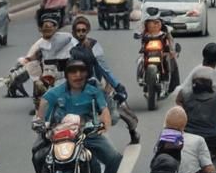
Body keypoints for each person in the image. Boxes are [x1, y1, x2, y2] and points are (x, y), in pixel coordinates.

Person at [34, 58, 122, 173]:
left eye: (81, 71)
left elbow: (104, 112)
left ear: (87, 73)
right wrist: (39, 122)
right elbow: (43, 108)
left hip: (87, 134)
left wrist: (104, 126)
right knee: (38, 156)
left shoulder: (93, 92)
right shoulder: (56, 92)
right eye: (73, 71)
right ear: (66, 75)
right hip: (58, 137)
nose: (78, 75)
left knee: (112, 159)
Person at [69, 15, 139, 143]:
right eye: (78, 30)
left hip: (93, 84)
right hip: (73, 87)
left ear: (88, 30)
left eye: (83, 30)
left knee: (115, 109)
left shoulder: (93, 45)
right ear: (73, 31)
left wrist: (117, 85)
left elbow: (103, 68)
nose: (80, 33)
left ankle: (133, 130)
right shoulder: (68, 47)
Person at [21, 16, 75, 115]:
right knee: (38, 84)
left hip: (65, 73)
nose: (47, 29)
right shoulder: (39, 44)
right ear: (40, 29)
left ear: (56, 28)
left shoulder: (67, 38)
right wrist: (27, 60)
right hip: (48, 73)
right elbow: (32, 57)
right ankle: (38, 108)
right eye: (45, 27)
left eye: (50, 26)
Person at [138, 13, 180, 93]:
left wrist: (172, 51)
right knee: (140, 60)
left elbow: (171, 40)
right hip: (148, 53)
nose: (154, 25)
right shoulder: (144, 31)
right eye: (151, 23)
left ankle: (173, 86)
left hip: (163, 53)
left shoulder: (166, 31)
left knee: (172, 61)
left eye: (156, 22)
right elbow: (140, 38)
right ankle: (142, 77)